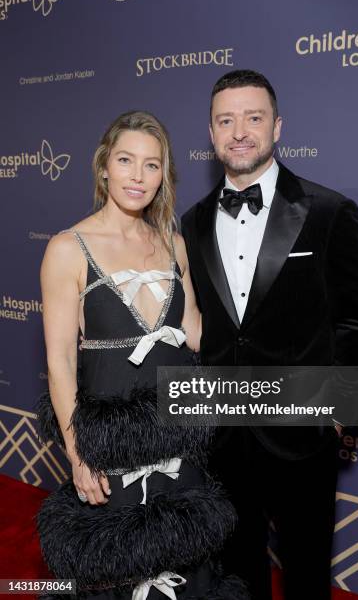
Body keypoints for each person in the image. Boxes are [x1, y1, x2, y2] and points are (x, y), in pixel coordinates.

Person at [181, 70, 358, 599]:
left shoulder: (329, 212)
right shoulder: (192, 223)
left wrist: (344, 415)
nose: (240, 131)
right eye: (226, 120)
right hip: (222, 432)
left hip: (303, 432)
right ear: (211, 132)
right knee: (236, 572)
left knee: (307, 571)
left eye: (254, 117)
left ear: (277, 126)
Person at [36, 111, 249, 599]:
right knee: (113, 570)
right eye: (126, 160)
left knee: (188, 564)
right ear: (103, 166)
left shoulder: (172, 243)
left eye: (152, 165)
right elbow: (61, 364)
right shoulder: (68, 248)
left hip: (179, 435)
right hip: (110, 445)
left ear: (163, 175)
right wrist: (77, 454)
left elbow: (195, 330)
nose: (138, 176)